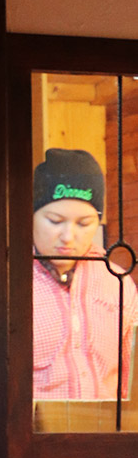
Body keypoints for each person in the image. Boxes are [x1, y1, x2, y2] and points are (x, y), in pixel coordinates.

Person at [33, 146, 138, 402]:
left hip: (105, 437)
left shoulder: (117, 282)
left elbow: (133, 379)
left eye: (84, 223)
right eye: (55, 221)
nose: (68, 237)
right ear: (31, 215)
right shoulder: (6, 280)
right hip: (29, 439)